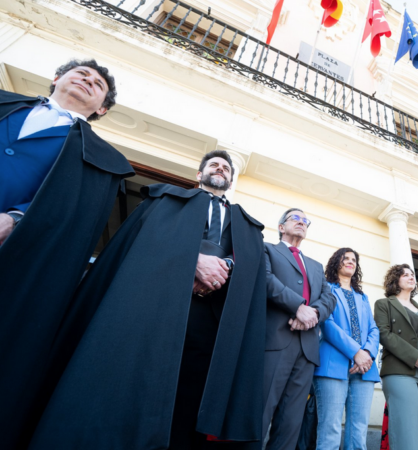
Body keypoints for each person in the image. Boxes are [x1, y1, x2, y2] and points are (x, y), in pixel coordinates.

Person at [29, 151, 267, 449]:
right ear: (199, 175)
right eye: (213, 165)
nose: (220, 169)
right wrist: (191, 260)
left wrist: (224, 270)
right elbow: (142, 245)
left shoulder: (247, 226)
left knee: (191, 395)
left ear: (231, 180)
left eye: (226, 168)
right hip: (157, 311)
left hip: (212, 324)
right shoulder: (166, 200)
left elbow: (253, 267)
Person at [0, 59, 134, 449]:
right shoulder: (6, 104)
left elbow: (72, 213)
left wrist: (16, 219)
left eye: (98, 85)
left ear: (102, 109)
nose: (88, 81)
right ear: (57, 78)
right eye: (81, 74)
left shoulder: (99, 161)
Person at [262, 208, 337, 450]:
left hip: (307, 349)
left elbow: (329, 298)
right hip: (274, 341)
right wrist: (297, 307)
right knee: (261, 410)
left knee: (291, 420)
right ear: (281, 227)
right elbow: (265, 279)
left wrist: (312, 313)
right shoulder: (267, 249)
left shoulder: (316, 266)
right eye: (296, 218)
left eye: (306, 221)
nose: (302, 222)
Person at [313, 247, 380, 450]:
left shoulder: (363, 298)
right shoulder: (326, 289)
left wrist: (367, 353)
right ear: (336, 263)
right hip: (332, 365)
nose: (350, 261)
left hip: (365, 368)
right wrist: (355, 352)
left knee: (359, 429)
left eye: (354, 259)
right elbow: (327, 324)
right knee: (330, 428)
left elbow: (373, 329)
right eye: (345, 258)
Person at [374, 264, 418, 450]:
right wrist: (416, 357)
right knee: (405, 427)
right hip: (400, 367)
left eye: (412, 274)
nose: (411, 277)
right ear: (395, 280)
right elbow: (384, 334)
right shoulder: (384, 304)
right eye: (405, 274)